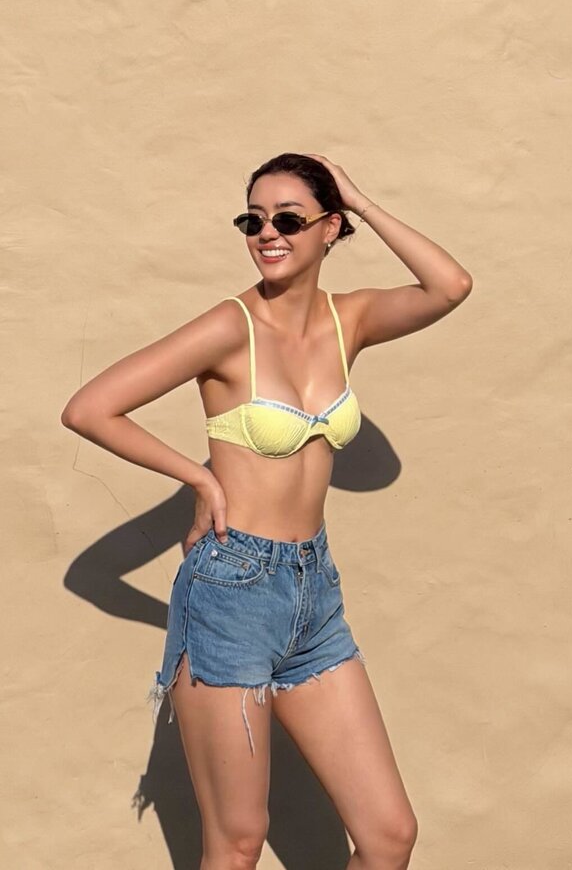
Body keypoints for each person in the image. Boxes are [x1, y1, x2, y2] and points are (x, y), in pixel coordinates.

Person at [61, 152, 473, 870]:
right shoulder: (231, 326)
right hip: (230, 592)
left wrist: (361, 200)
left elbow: (451, 286)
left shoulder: (351, 320)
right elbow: (90, 409)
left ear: (329, 228)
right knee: (238, 843)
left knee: (389, 836)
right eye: (252, 221)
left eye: (288, 218)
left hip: (315, 594)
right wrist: (199, 478)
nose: (267, 233)